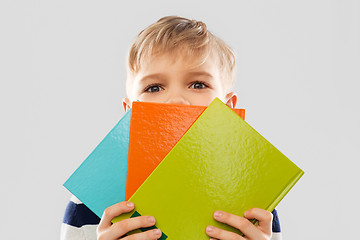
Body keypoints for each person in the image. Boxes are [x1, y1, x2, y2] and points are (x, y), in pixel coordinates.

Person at [61, 16, 282, 240]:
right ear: (129, 112)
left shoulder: (252, 203)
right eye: (154, 87)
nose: (176, 101)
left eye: (198, 85)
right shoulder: (90, 204)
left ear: (227, 108)